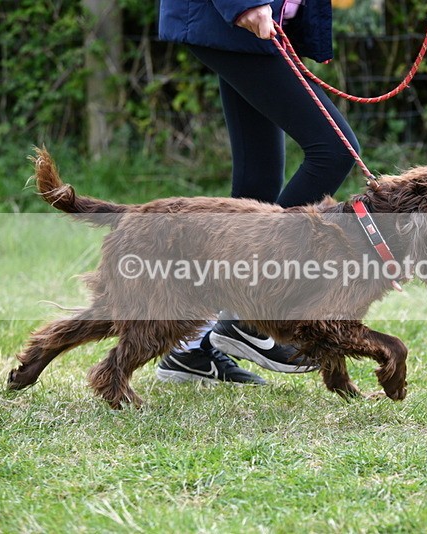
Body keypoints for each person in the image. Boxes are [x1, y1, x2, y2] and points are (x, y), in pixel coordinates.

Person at [154, 0, 360, 384]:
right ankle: (249, 314)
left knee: (257, 187)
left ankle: (192, 348)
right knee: (333, 150)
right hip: (238, 14)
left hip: (255, 26)